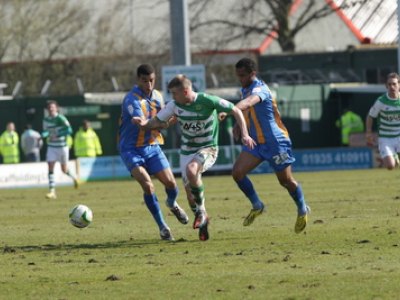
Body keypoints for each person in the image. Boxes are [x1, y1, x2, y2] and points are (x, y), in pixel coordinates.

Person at [133, 74, 256, 241]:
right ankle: (202, 219)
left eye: (174, 93)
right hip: (187, 152)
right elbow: (155, 122)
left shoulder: (206, 100)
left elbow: (235, 110)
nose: (172, 97)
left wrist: (245, 134)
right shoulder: (174, 105)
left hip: (208, 148)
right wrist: (143, 124)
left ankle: (202, 212)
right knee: (190, 196)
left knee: (192, 171)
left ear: (185, 91)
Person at [231, 57, 310, 233]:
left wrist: (233, 109)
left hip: (275, 142)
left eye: (243, 76)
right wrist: (238, 124)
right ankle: (257, 205)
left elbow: (249, 103)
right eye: (238, 76)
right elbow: (247, 110)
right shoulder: (245, 89)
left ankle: (302, 208)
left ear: (253, 73)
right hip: (256, 142)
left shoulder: (261, 89)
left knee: (285, 181)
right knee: (237, 173)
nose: (241, 79)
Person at [119, 64, 189, 241]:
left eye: (152, 80)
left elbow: (166, 117)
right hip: (131, 149)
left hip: (151, 146)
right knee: (148, 185)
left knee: (171, 184)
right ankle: (163, 227)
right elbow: (142, 122)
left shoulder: (158, 96)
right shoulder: (131, 99)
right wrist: (161, 123)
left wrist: (174, 118)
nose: (149, 85)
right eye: (145, 81)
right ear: (138, 80)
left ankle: (172, 204)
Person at [42, 100, 80, 199]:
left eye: (53, 107)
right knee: (50, 166)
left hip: (62, 146)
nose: (51, 109)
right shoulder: (45, 120)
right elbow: (46, 132)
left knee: (64, 169)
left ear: (56, 108)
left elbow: (69, 130)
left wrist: (58, 134)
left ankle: (74, 178)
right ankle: (52, 191)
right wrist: (43, 135)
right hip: (51, 146)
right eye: (49, 107)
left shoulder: (61, 118)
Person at [366, 72, 400, 170]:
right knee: (390, 166)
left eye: (394, 84)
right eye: (389, 84)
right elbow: (370, 116)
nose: (392, 86)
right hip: (386, 137)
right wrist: (368, 133)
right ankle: (394, 157)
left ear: (399, 85)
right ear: (386, 86)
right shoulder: (381, 101)